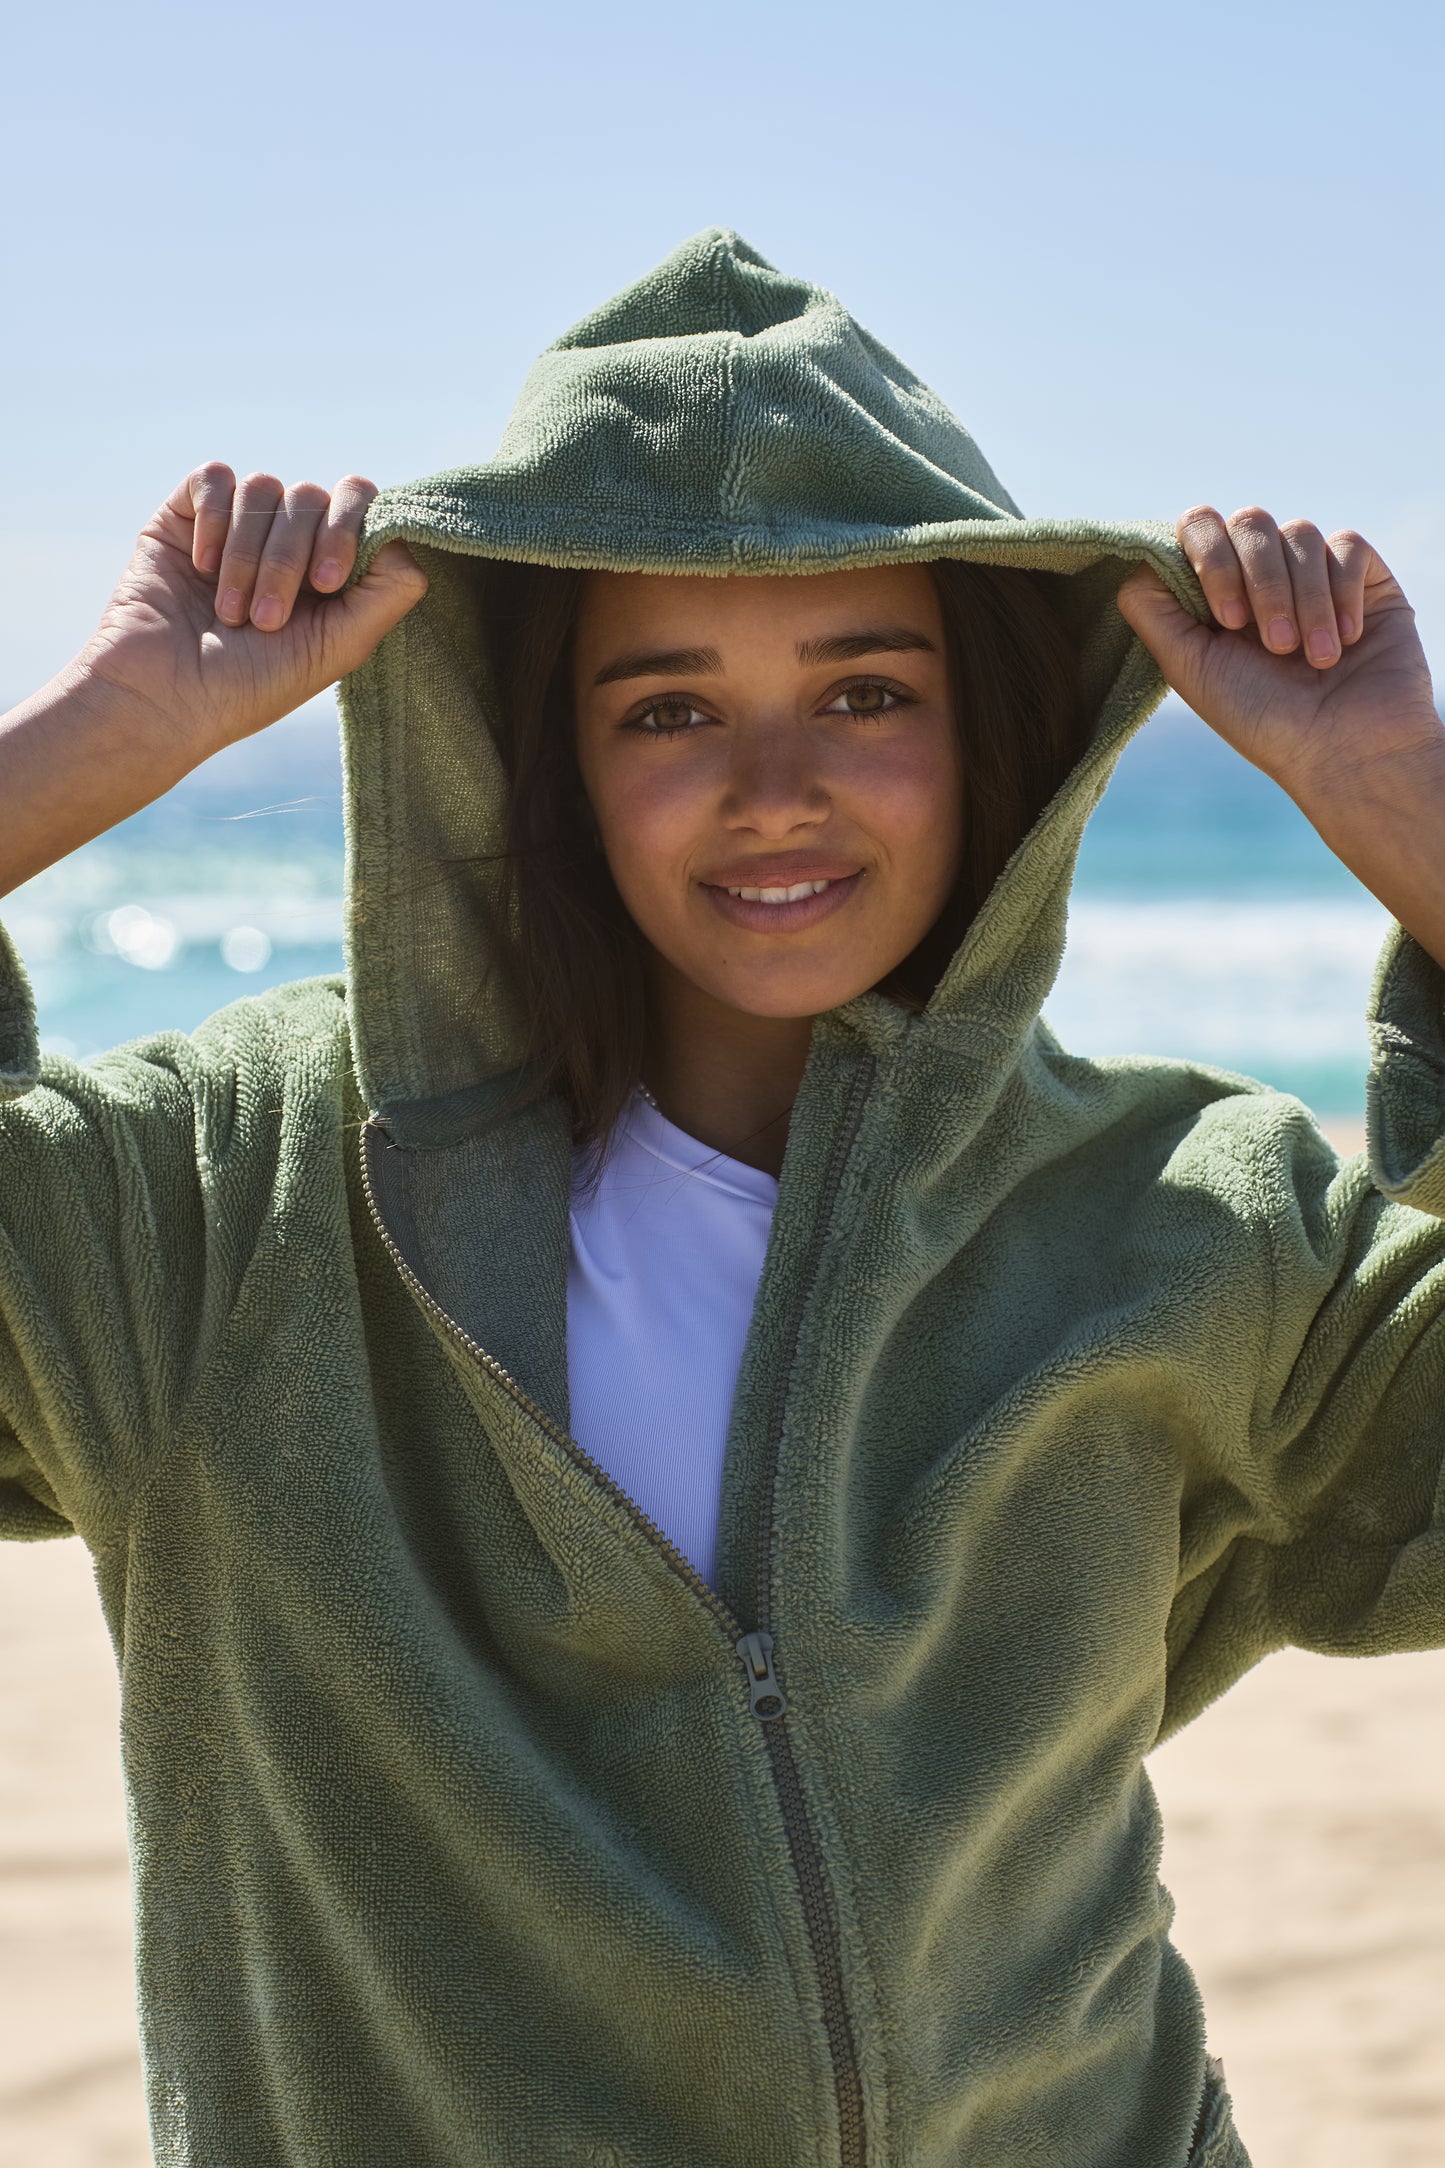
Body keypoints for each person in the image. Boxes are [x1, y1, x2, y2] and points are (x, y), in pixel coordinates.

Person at [1, 228, 1441, 2168]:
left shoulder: (1175, 1211)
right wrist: (108, 728)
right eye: (669, 708)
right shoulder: (233, 1193)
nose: (776, 785)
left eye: (864, 692)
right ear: (552, 750)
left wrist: (1405, 802)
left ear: (984, 724)